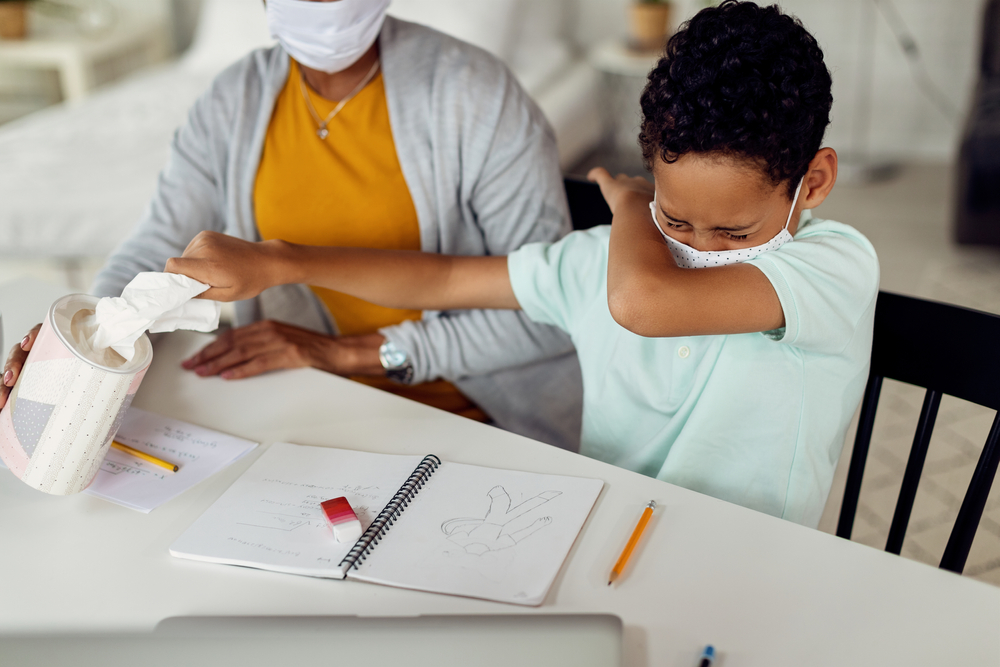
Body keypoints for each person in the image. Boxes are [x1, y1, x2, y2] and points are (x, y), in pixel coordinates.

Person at [159, 0, 879, 527]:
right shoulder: (601, 261)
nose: (696, 244)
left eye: (730, 229)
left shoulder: (833, 269)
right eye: (675, 215)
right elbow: (444, 278)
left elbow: (641, 303)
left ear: (812, 182)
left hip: (759, 566)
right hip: (604, 535)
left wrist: (631, 209)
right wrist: (281, 261)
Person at [1, 0, 582, 449]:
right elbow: (157, 247)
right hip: (301, 407)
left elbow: (552, 313)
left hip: (472, 415)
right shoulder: (235, 100)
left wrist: (347, 353)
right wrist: (77, 342)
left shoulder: (477, 96)